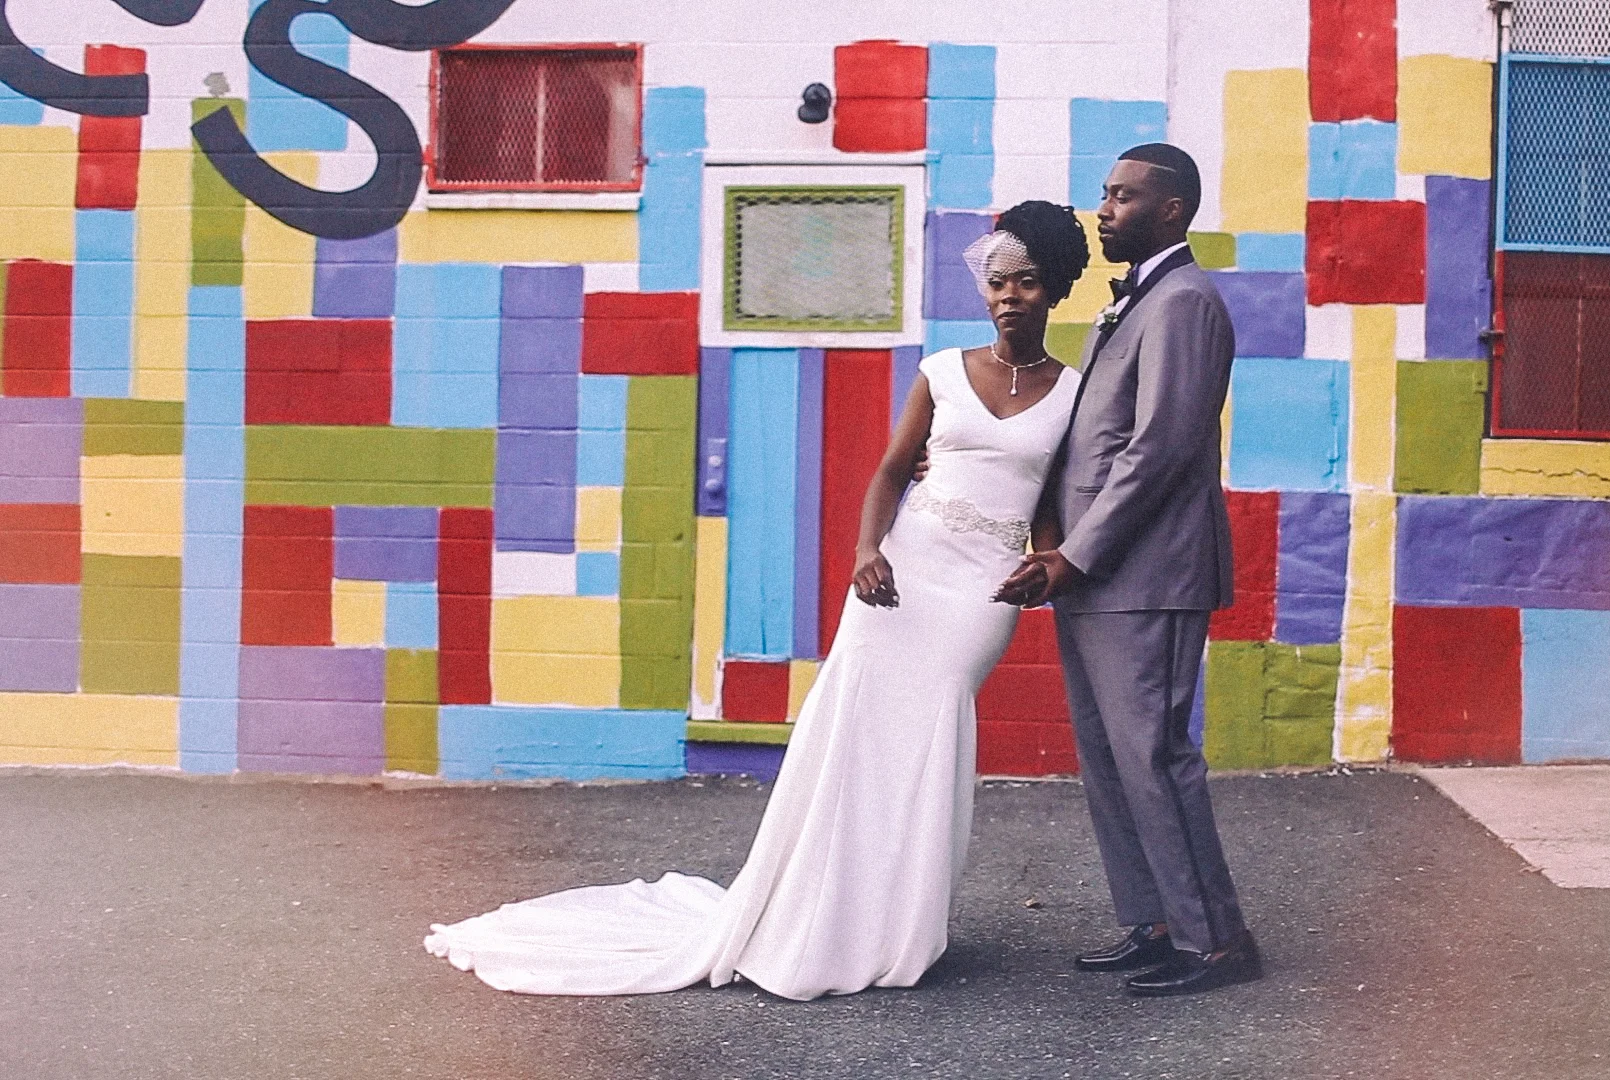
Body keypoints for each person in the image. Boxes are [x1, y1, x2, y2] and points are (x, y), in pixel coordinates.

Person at [423, 201, 1090, 1001]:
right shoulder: (943, 372)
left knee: (930, 739)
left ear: (1055, 289)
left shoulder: (1072, 393)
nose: (1009, 295)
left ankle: (900, 924)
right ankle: (816, 911)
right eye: (997, 282)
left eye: (1026, 282)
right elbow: (890, 470)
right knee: (854, 735)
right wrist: (866, 550)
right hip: (903, 573)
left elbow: (1047, 503)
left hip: (979, 594)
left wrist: (1046, 564)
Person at [993, 143, 1260, 997]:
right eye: (1105, 195)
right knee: (1110, 758)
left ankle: (1216, 941)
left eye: (1122, 197)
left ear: (1172, 209)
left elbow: (1159, 450)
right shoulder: (1135, 302)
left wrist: (1074, 555)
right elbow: (1091, 439)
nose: (1103, 211)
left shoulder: (1184, 302)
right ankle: (1156, 922)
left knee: (1154, 755)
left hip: (1147, 573)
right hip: (1099, 575)